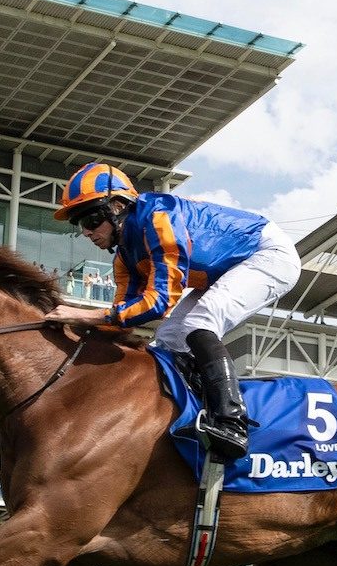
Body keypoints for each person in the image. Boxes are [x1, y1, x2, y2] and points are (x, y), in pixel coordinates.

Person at [44, 162, 301, 462]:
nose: (86, 232)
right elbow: (119, 320)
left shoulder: (158, 220)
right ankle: (191, 413)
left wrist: (83, 315)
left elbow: (157, 303)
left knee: (199, 323)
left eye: (91, 219)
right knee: (166, 341)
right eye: (80, 224)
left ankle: (232, 422)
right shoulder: (125, 256)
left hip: (268, 254)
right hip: (227, 269)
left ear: (117, 206)